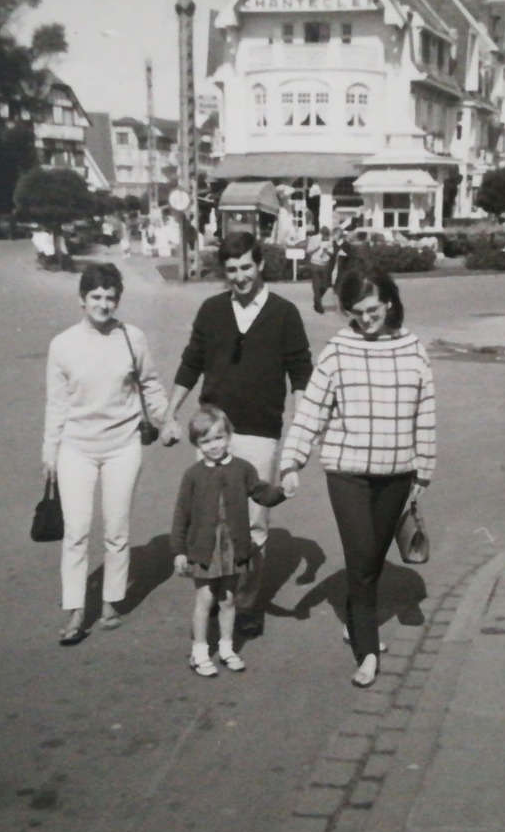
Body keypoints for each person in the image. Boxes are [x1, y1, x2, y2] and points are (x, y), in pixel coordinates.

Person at [280, 265, 437, 689]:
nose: (365, 320)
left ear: (389, 301)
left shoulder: (412, 348)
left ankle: (356, 617)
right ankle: (368, 652)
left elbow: (425, 412)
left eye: (372, 310)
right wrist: (291, 463)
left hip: (397, 474)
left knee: (369, 563)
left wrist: (424, 467)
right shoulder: (338, 350)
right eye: (356, 313)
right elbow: (311, 411)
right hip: (347, 474)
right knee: (362, 559)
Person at [161, 231, 313, 639]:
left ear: (260, 264)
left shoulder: (284, 312)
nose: (241, 277)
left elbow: (301, 368)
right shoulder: (212, 310)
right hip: (213, 434)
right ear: (223, 272)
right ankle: (217, 595)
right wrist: (170, 412)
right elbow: (191, 361)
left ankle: (245, 603)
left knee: (254, 524)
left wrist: (301, 416)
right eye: (232, 270)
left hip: (260, 433)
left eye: (247, 267)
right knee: (210, 521)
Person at [43, 263, 171, 645]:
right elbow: (56, 404)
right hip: (76, 449)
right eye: (96, 297)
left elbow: (151, 385)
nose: (103, 304)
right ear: (82, 300)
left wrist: (167, 421)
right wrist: (49, 452)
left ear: (118, 300)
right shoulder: (62, 345)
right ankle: (76, 609)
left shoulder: (133, 338)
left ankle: (112, 600)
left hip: (122, 446)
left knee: (116, 529)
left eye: (110, 297)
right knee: (77, 531)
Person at [171, 405, 288, 677]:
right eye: (206, 441)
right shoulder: (193, 475)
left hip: (233, 547)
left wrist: (283, 492)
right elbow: (181, 515)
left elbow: (261, 494)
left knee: (228, 599)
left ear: (229, 436)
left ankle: (226, 647)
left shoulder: (242, 469)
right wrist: (178, 551)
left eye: (218, 438)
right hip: (204, 548)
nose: (214, 446)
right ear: (197, 444)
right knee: (205, 598)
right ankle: (199, 651)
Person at [306, 226, 335, 313]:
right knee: (316, 285)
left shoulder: (330, 240)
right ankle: (319, 306)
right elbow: (308, 252)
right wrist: (317, 248)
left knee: (325, 285)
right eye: (325, 236)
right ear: (321, 234)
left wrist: (326, 251)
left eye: (327, 236)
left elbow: (331, 254)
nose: (326, 238)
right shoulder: (314, 239)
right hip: (315, 263)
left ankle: (317, 300)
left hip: (325, 265)